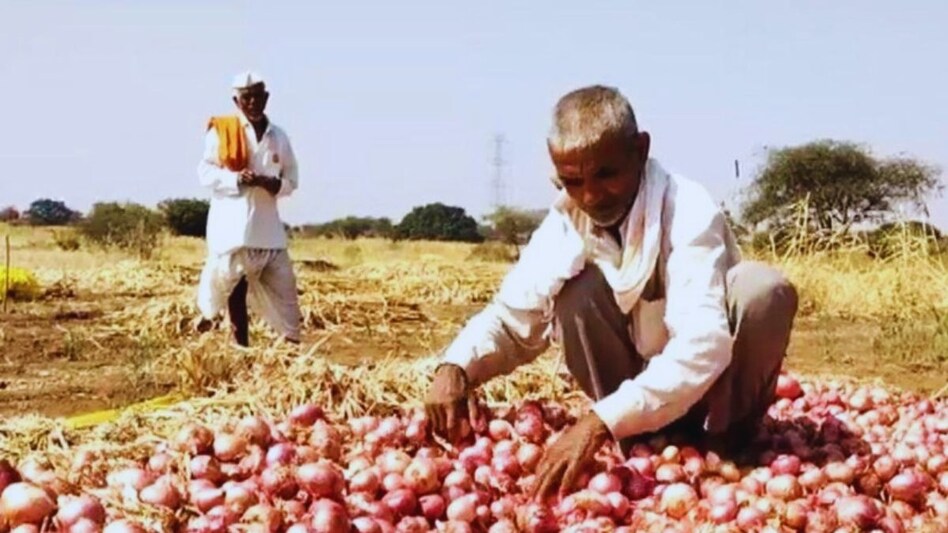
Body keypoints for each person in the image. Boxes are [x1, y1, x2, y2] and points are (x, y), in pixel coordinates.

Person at [423, 85, 799, 500]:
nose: (591, 196)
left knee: (762, 290)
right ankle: (636, 441)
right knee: (573, 292)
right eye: (571, 181)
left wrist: (597, 423)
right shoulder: (567, 219)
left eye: (606, 174)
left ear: (640, 150)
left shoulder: (687, 208)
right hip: (628, 403)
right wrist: (455, 366)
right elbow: (513, 321)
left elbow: (704, 344)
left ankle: (728, 444)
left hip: (713, 397)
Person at [195, 71, 302, 347]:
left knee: (286, 293)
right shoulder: (222, 131)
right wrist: (235, 179)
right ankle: (239, 346)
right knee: (233, 289)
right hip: (234, 231)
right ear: (237, 101)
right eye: (246, 98)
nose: (253, 102)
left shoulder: (278, 136)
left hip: (269, 231)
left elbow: (292, 180)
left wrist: (270, 183)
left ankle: (292, 350)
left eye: (258, 97)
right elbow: (205, 173)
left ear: (266, 98)